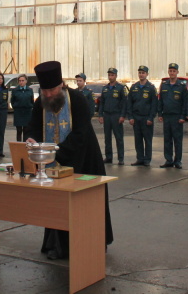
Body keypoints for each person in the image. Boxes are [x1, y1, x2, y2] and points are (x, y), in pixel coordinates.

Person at [24, 60, 113, 259]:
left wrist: (55, 151)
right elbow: (33, 127)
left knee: (84, 205)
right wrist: (31, 139)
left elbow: (81, 134)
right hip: (52, 163)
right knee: (57, 206)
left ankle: (91, 240)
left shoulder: (78, 100)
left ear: (61, 85)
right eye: (45, 91)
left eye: (52, 91)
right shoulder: (41, 102)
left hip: (84, 159)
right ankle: (58, 245)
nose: (48, 95)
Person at [158, 63, 187, 168]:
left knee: (177, 140)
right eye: (170, 71)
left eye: (174, 71)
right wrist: (160, 113)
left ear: (177, 72)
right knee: (167, 139)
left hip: (177, 117)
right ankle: (168, 160)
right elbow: (160, 100)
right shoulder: (164, 85)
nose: (172, 73)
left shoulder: (181, 86)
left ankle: (178, 160)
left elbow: (185, 102)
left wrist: (182, 116)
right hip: (167, 116)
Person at [127, 65, 158, 166]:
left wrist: (151, 117)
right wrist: (130, 117)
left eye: (143, 73)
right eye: (140, 73)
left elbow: (154, 104)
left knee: (147, 140)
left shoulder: (151, 88)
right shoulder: (134, 87)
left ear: (147, 74)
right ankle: (140, 158)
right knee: (138, 139)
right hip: (136, 117)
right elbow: (129, 103)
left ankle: (147, 159)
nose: (141, 75)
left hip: (146, 118)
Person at [97, 68, 128, 165]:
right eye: (109, 75)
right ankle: (108, 157)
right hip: (107, 115)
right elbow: (102, 103)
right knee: (107, 138)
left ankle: (121, 158)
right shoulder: (105, 88)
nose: (110, 77)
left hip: (116, 115)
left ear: (116, 76)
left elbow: (124, 103)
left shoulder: (120, 88)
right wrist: (100, 114)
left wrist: (122, 115)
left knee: (119, 138)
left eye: (112, 75)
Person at [10, 74, 34, 142]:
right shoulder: (15, 90)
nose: (21, 82)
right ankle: (19, 146)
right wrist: (16, 106)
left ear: (26, 81)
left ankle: (25, 146)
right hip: (18, 112)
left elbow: (32, 101)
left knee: (26, 131)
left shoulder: (30, 90)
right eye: (20, 81)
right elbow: (12, 101)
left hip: (27, 112)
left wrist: (30, 106)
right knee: (19, 131)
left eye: (23, 80)